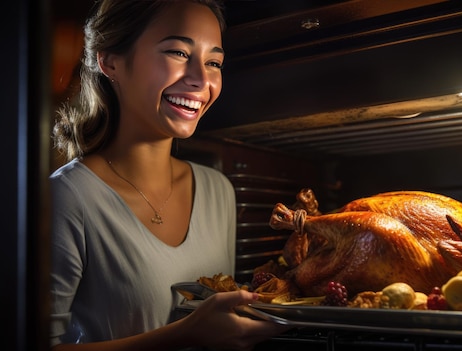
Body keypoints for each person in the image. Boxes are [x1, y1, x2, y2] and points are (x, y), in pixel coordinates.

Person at [48, 0, 289, 350]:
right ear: (111, 60)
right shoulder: (68, 197)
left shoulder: (218, 190)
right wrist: (186, 333)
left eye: (214, 62)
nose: (201, 80)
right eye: (178, 52)